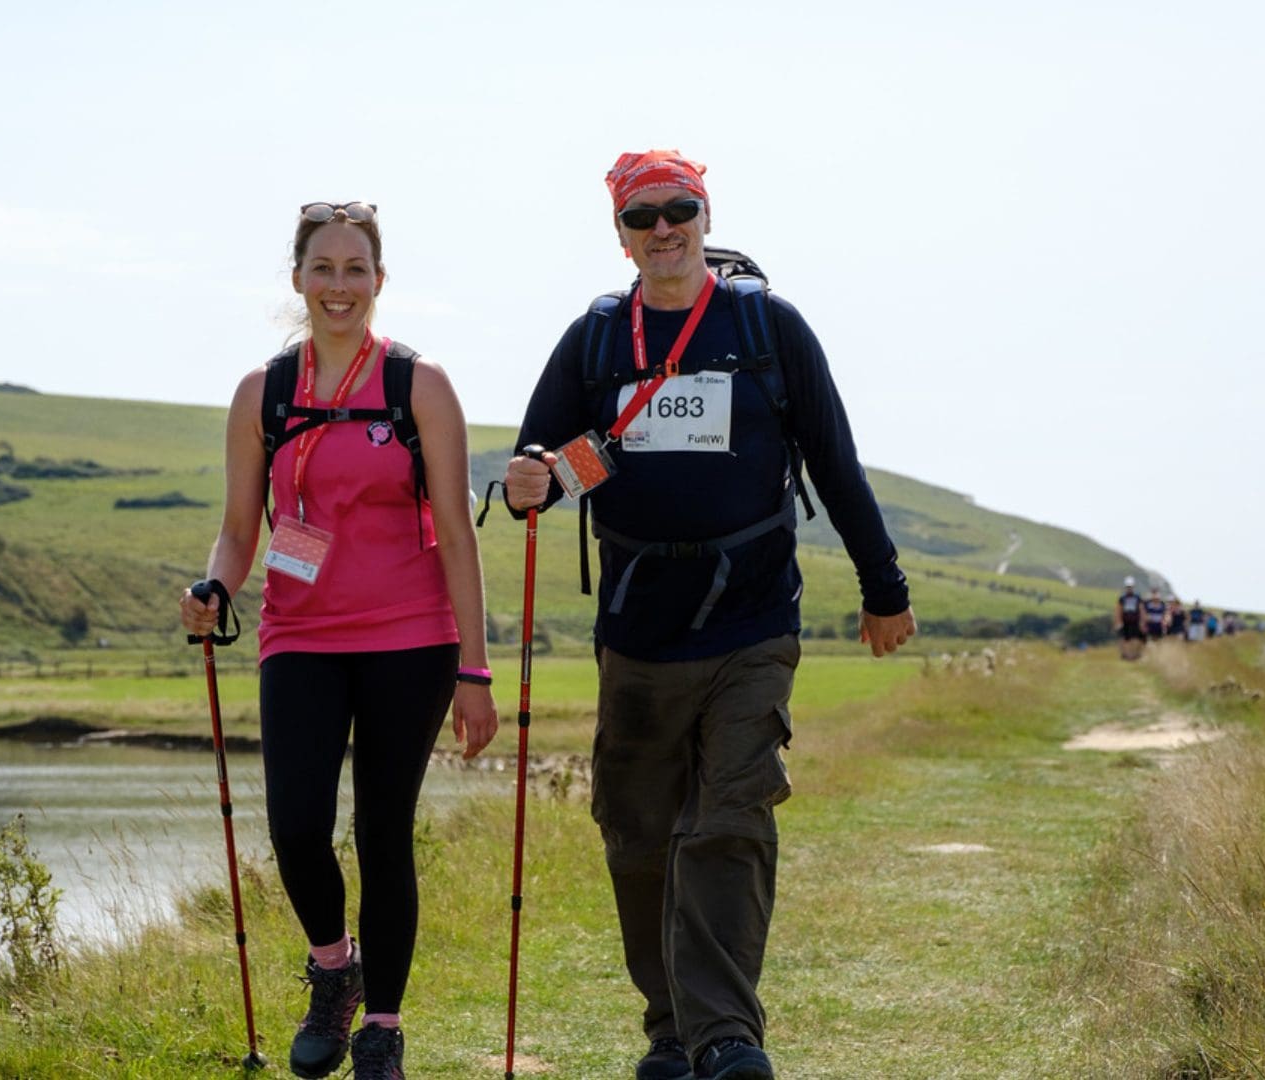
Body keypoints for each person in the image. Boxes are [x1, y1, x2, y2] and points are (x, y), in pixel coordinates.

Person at [501, 151, 916, 1080]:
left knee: (730, 815)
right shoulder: (597, 341)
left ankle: (727, 1035)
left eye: (677, 209)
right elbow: (540, 458)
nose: (663, 228)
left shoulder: (767, 327)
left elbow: (836, 461)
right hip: (638, 626)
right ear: (620, 235)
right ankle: (671, 1031)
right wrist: (531, 476)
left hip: (753, 618)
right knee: (641, 833)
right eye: (641, 215)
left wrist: (882, 586)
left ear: (704, 212)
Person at [180, 200, 499, 1080]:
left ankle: (383, 1031)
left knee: (382, 829)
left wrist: (475, 667)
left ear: (379, 282)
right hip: (300, 635)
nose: (338, 285)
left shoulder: (417, 386)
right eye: (323, 268)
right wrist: (215, 586)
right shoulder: (265, 393)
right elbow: (241, 529)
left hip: (411, 637)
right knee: (294, 825)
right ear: (297, 279)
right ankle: (334, 968)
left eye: (356, 269)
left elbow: (459, 537)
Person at [1116, 578, 1146, 660]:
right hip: (1125, 621)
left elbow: (1141, 609)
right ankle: (1126, 655)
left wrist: (1142, 622)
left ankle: (1133, 655)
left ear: (1133, 587)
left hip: (1135, 621)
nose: (1129, 588)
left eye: (1131, 587)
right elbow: (1119, 610)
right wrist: (1118, 622)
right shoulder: (1122, 598)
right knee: (1125, 639)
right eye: (1128, 587)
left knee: (1135, 639)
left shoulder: (1137, 597)